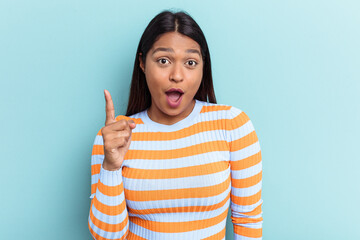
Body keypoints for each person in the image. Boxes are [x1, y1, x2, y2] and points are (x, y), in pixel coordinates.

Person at [88, 10, 263, 240]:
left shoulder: (232, 125)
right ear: (142, 63)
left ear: (203, 67)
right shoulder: (115, 137)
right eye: (163, 61)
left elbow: (247, 219)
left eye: (191, 62)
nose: (177, 75)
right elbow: (107, 237)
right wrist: (110, 167)